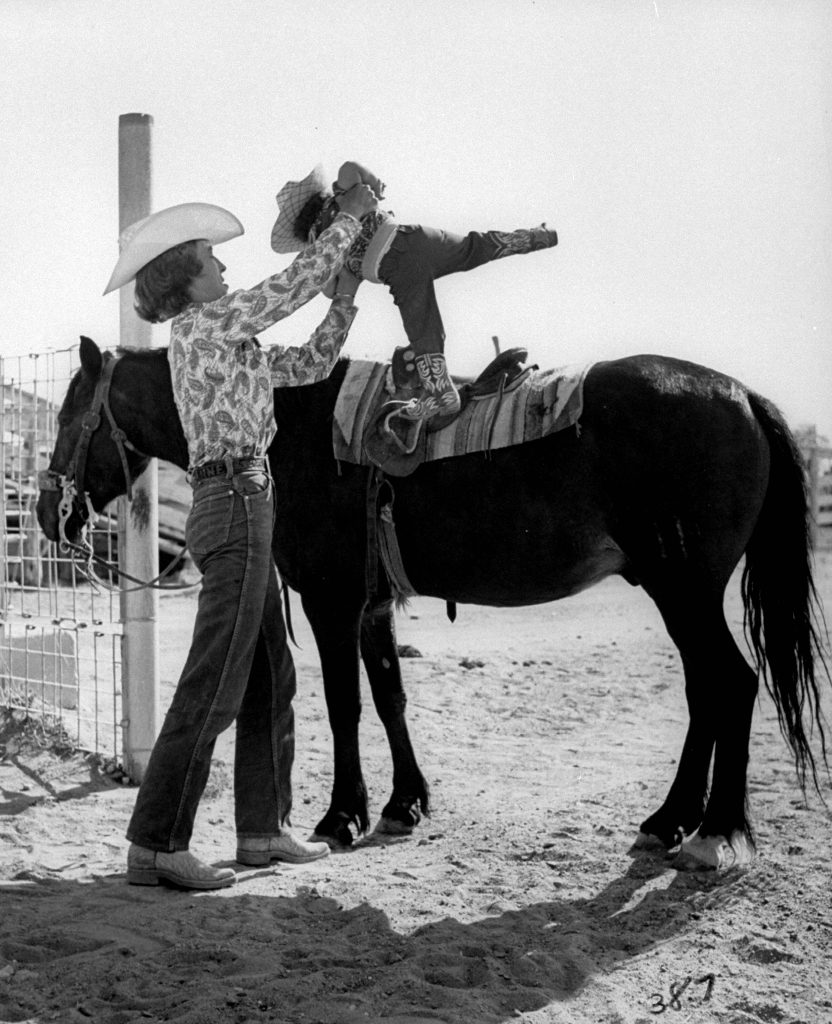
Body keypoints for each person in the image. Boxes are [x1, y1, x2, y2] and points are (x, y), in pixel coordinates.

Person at [102, 185, 377, 890]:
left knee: (267, 677)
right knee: (219, 679)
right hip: (237, 501)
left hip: (243, 503)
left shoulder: (226, 341)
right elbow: (292, 286)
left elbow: (311, 364)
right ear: (186, 278)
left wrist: (344, 298)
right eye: (213, 261)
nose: (225, 269)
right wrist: (347, 222)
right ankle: (158, 842)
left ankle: (262, 831)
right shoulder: (207, 325)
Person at [270, 161, 558, 455]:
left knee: (424, 326)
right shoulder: (348, 196)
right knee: (473, 248)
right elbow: (349, 168)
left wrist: (323, 257)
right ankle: (530, 238)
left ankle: (439, 388)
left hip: (394, 268)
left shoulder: (329, 243)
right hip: (414, 237)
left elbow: (332, 290)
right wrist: (373, 184)